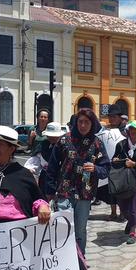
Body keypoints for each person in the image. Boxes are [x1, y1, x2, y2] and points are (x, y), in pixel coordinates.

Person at [46, 109, 110, 255]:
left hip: (84, 195)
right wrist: (49, 191)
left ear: (92, 123)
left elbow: (106, 168)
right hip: (64, 192)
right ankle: (63, 260)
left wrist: (95, 168)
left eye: (86, 122)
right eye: (80, 121)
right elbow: (52, 167)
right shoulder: (64, 140)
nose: (82, 125)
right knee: (63, 228)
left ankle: (80, 260)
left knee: (80, 230)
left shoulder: (97, 143)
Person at [112, 121, 136, 245]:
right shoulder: (121, 144)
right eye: (131, 131)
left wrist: (134, 164)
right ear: (128, 132)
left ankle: (133, 231)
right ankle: (130, 221)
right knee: (123, 205)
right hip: (123, 179)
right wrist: (116, 160)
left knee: (134, 206)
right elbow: (114, 160)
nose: (133, 133)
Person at [24, 122, 66, 201]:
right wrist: (30, 168)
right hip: (45, 178)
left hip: (59, 178)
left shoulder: (64, 147)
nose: (51, 138)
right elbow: (37, 158)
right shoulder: (44, 145)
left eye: (54, 136)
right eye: (49, 136)